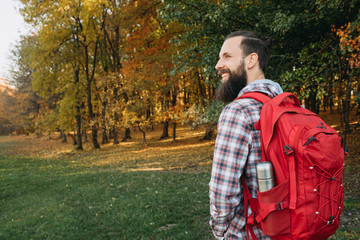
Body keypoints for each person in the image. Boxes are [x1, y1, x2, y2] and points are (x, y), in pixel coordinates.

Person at [209, 30, 283, 239]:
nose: (218, 64)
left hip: (251, 232)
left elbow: (223, 191)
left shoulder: (238, 112)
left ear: (252, 60)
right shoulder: (289, 105)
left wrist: (220, 231)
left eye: (227, 56)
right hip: (290, 228)